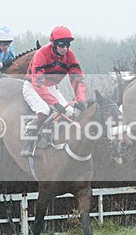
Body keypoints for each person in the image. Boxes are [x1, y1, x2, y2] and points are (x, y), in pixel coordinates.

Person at [20, 26, 86, 157]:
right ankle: (29, 140)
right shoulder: (41, 54)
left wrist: (81, 99)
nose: (65, 48)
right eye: (62, 45)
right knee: (44, 110)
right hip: (33, 86)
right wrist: (55, 103)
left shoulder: (70, 56)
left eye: (67, 45)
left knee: (70, 112)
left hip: (51, 87)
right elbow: (38, 84)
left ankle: (59, 139)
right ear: (54, 44)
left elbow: (77, 78)